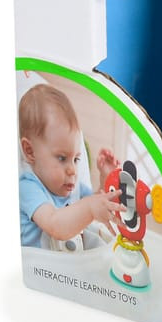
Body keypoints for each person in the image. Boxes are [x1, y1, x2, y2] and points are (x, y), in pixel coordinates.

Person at [18, 84, 123, 247]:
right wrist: (89, 208)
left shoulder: (73, 190)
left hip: (70, 262)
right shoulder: (28, 188)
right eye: (62, 158)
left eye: (76, 159)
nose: (73, 170)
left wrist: (106, 179)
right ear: (30, 151)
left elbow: (95, 202)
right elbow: (55, 225)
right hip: (38, 264)